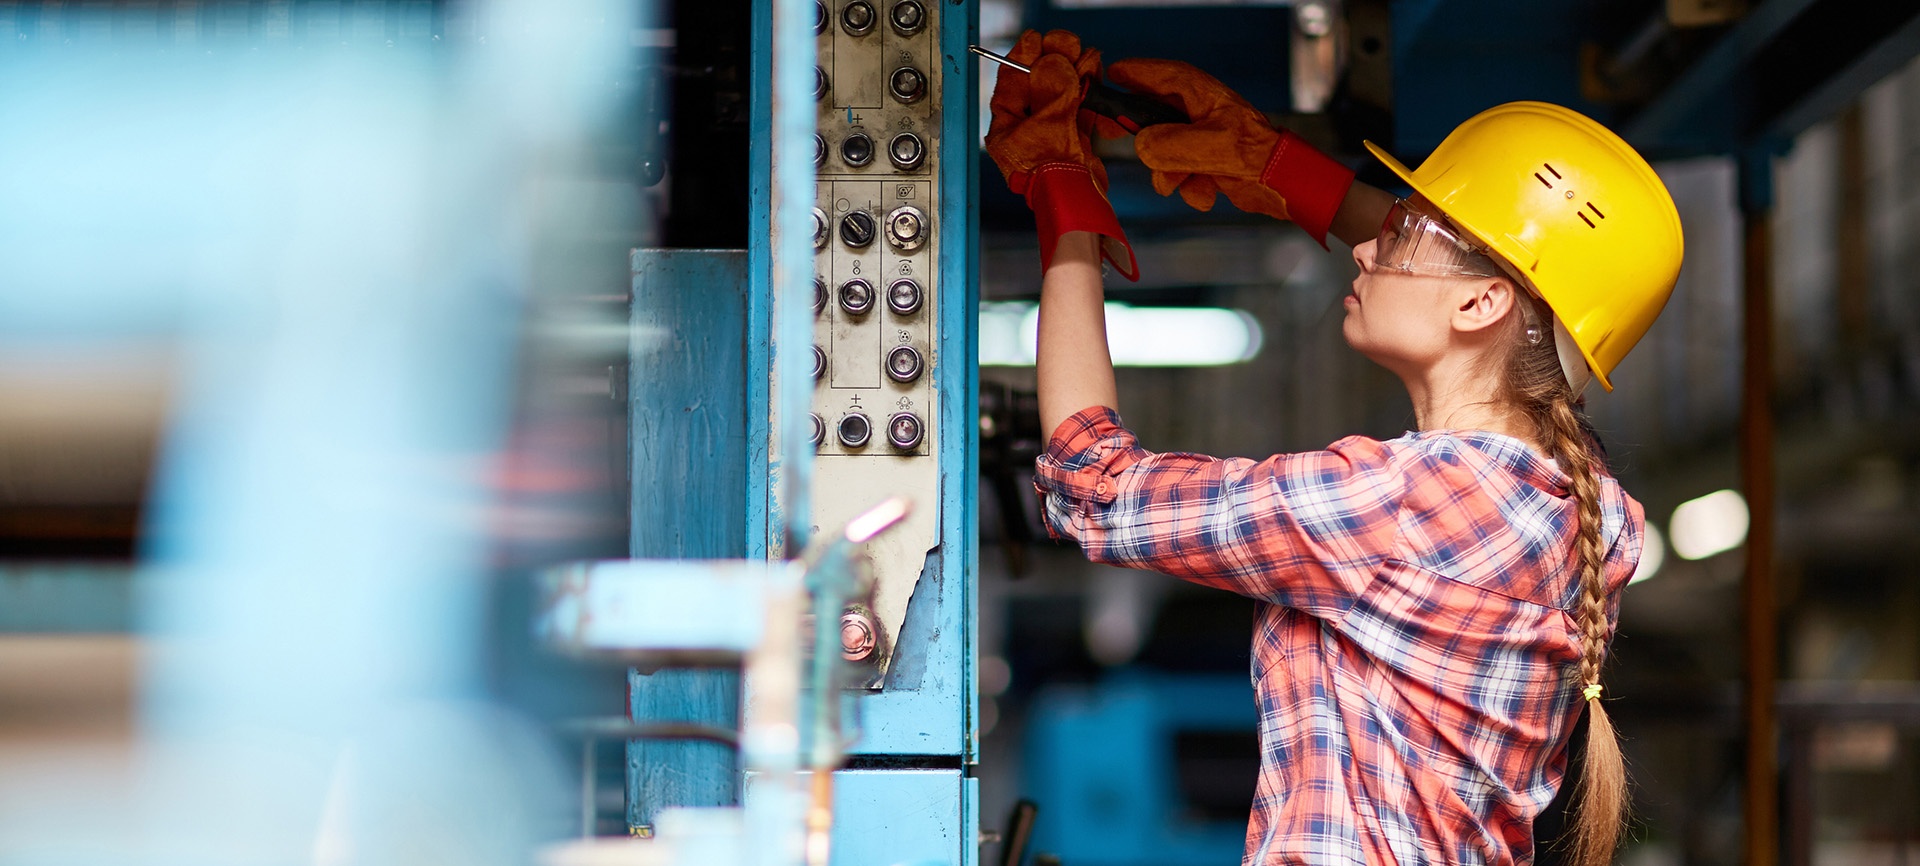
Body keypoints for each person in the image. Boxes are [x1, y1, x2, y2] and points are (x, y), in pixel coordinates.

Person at [984, 30, 1685, 866]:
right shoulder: (1587, 512)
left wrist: (1064, 200)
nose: (1366, 246)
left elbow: (1091, 486)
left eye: (1402, 235)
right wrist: (1272, 168)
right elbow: (1478, 275)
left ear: (1482, 305)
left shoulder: (1396, 504)